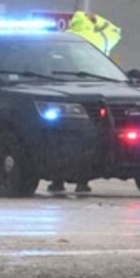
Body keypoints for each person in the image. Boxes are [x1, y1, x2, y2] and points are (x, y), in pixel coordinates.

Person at [47, 11, 123, 195]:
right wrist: (98, 19)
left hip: (68, 89)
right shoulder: (101, 37)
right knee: (92, 139)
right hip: (100, 88)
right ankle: (83, 181)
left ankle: (58, 181)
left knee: (63, 136)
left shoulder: (65, 38)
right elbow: (116, 31)